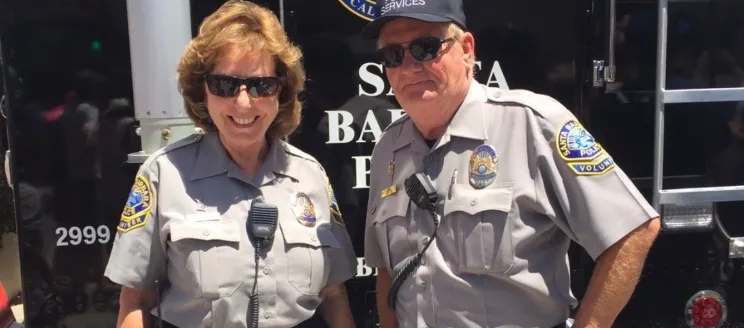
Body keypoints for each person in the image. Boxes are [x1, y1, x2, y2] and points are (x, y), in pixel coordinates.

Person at [360, 0, 661, 327]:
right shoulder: (388, 148)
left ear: (466, 49)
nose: (408, 67)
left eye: (426, 47)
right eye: (393, 55)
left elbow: (632, 230)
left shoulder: (532, 124)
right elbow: (388, 271)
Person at [103, 1, 357, 327]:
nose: (243, 102)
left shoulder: (310, 176)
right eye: (223, 84)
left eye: (261, 85)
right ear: (202, 91)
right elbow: (136, 301)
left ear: (282, 91)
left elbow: (334, 297)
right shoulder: (163, 175)